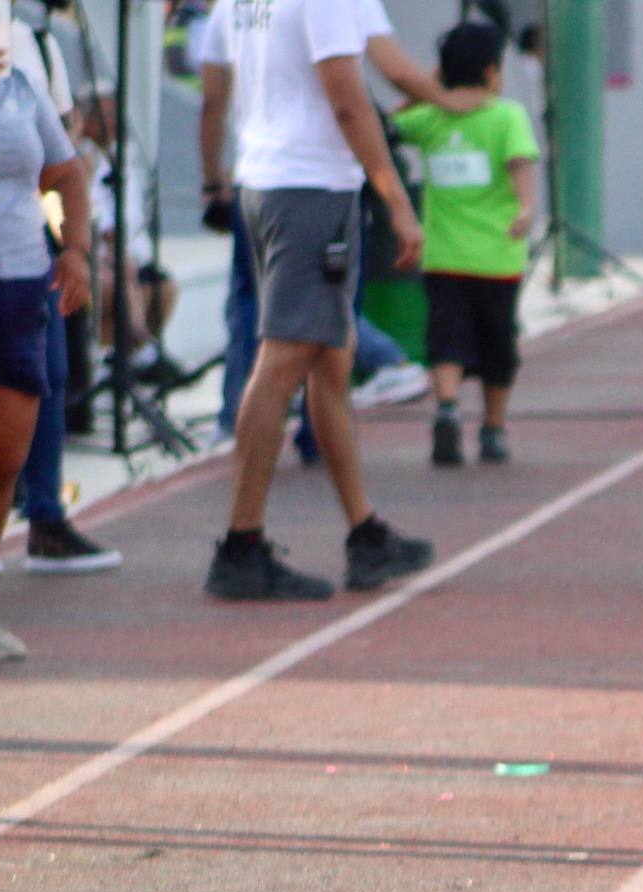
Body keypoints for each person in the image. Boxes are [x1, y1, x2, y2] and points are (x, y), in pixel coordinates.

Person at [201, 0, 437, 601]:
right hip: (309, 187)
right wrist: (398, 200)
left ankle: (365, 532)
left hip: (269, 178)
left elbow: (219, 87)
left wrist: (217, 176)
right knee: (284, 359)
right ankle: (241, 545)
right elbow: (347, 101)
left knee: (332, 359)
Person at [0, 0, 92, 664]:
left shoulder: (16, 85)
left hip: (21, 295)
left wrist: (76, 251)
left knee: (2, 463)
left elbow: (66, 174)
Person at [0, 0, 116, 572]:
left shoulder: (34, 46)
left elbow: (66, 158)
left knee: (47, 372)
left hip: (30, 241)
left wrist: (74, 247)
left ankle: (43, 516)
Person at [393, 21, 538, 469]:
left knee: (446, 338)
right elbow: (520, 162)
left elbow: (385, 126)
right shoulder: (506, 115)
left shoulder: (429, 118)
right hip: (498, 258)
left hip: (443, 258)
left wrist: (428, 87)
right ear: (493, 72)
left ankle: (449, 407)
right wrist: (527, 208)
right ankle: (493, 428)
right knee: (498, 343)